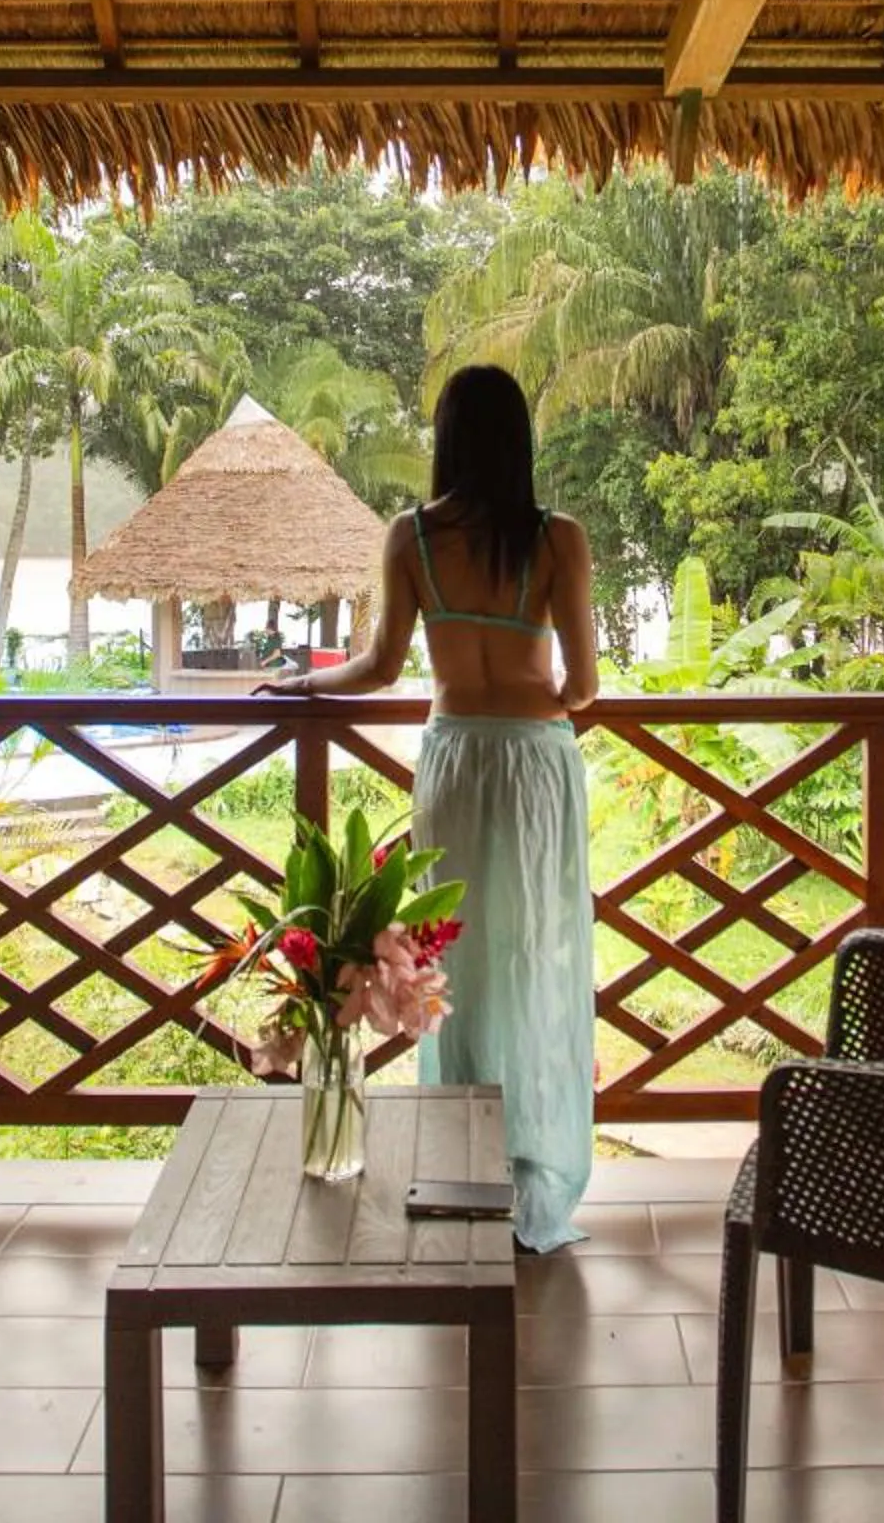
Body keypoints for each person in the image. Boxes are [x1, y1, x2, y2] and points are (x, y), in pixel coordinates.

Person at [255, 364, 599, 1250]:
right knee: (533, 956)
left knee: (451, 957)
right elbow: (584, 689)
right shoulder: (558, 539)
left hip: (453, 760)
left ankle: (465, 1159)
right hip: (533, 763)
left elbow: (379, 670)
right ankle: (533, 1162)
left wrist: (300, 682)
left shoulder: (410, 537)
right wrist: (534, 713)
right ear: (519, 442)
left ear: (446, 439)